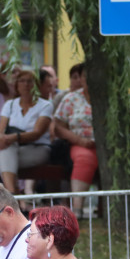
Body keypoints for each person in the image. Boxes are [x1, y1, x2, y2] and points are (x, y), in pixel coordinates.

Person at [0, 67, 53, 194]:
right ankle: (13, 192)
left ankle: (11, 195)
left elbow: (37, 133)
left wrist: (15, 137)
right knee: (6, 152)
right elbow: (1, 132)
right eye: (22, 81)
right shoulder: (10, 105)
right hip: (12, 148)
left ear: (36, 85)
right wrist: (4, 139)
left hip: (38, 148)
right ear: (17, 85)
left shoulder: (45, 105)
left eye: (30, 81)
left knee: (4, 156)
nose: (26, 84)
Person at [53, 63, 98, 213]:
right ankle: (77, 209)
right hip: (80, 143)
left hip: (106, 147)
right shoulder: (71, 98)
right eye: (85, 76)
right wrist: (79, 140)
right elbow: (58, 126)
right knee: (85, 158)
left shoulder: (109, 98)